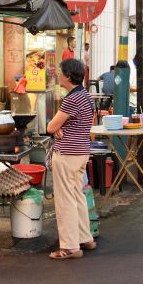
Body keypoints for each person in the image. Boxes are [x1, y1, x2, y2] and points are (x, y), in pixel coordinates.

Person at [46, 58, 95, 260]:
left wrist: (57, 129)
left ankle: (70, 247)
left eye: (60, 71)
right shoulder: (85, 95)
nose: (58, 74)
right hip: (82, 152)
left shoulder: (72, 99)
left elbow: (50, 127)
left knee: (65, 200)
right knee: (77, 195)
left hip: (67, 154)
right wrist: (59, 129)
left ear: (68, 76)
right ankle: (85, 238)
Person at [129, 47, 143, 112]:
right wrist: (142, 90)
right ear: (140, 57)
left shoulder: (138, 67)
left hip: (135, 103)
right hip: (130, 105)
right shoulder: (129, 67)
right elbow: (127, 87)